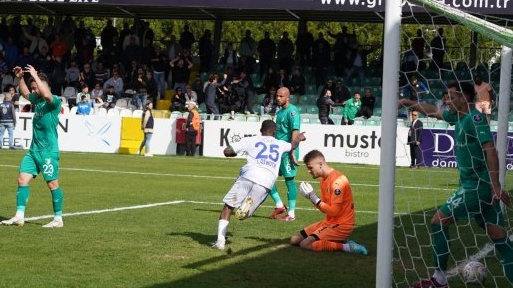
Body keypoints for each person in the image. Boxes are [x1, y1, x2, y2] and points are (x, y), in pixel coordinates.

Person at [398, 81, 513, 288]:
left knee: (438, 221)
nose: (446, 100)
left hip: (476, 187)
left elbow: (490, 149)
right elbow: (434, 111)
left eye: (451, 96)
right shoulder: (458, 117)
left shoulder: (474, 118)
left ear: (464, 98)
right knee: (500, 239)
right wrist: (409, 102)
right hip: (479, 188)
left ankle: (439, 280)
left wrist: (496, 184)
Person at [212, 120, 306, 250]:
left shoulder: (250, 140)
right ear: (275, 132)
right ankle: (247, 210)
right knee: (245, 214)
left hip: (248, 175)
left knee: (228, 207)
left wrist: (233, 153)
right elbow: (293, 145)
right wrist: (300, 137)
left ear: (261, 130)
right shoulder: (280, 144)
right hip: (266, 182)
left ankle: (220, 241)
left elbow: (227, 151)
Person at [2, 65, 64, 228]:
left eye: (36, 87)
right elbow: (24, 93)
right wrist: (20, 77)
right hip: (33, 151)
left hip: (48, 152)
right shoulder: (37, 100)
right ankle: (19, 216)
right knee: (22, 179)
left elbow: (47, 94)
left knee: (52, 184)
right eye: (33, 88)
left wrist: (36, 75)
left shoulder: (54, 101)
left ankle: (58, 219)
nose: (34, 91)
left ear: (43, 85)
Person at [290, 149, 368, 254]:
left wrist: (313, 197)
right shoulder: (324, 180)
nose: (308, 171)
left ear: (320, 164)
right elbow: (326, 209)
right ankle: (337, 240)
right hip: (330, 222)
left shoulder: (336, 182)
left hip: (342, 225)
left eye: (310, 167)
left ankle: (346, 247)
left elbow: (334, 212)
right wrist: (311, 198)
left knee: (305, 244)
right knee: (294, 240)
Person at [268, 87, 301, 221]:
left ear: (288, 97)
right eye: (277, 96)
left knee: (289, 181)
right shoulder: (280, 112)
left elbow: (295, 132)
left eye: (281, 96)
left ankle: (291, 213)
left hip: (288, 152)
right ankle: (279, 204)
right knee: (267, 178)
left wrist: (292, 151)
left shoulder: (292, 111)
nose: (278, 98)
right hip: (277, 151)